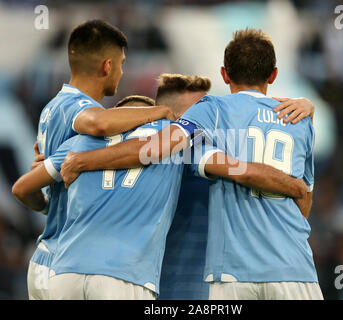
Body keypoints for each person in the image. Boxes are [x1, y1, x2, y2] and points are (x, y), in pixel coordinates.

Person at [61, 29, 322, 300]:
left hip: (232, 274)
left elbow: (155, 148)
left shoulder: (212, 111)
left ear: (224, 74)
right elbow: (303, 203)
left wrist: (82, 160)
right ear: (273, 75)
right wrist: (288, 184)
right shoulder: (301, 119)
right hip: (294, 266)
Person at [12, 99, 308, 300]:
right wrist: (294, 185)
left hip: (65, 272)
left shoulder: (77, 143)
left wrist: (51, 204)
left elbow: (22, 188)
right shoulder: (176, 144)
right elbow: (240, 170)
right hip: (125, 277)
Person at [21, 19, 175, 300]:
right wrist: (160, 111)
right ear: (107, 66)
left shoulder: (51, 108)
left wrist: (47, 206)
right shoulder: (78, 107)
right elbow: (98, 124)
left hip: (50, 259)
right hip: (66, 255)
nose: (122, 71)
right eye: (121, 63)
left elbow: (25, 187)